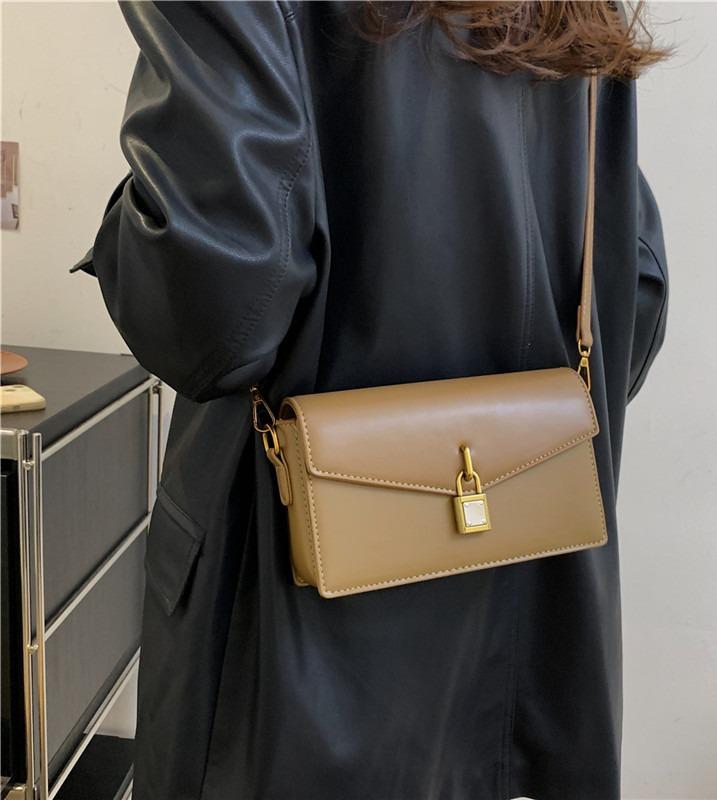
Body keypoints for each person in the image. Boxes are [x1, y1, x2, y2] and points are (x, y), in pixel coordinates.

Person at [69, 2, 670, 798]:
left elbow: (213, 319)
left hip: (287, 629)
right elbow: (635, 295)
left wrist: (128, 222)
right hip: (537, 616)